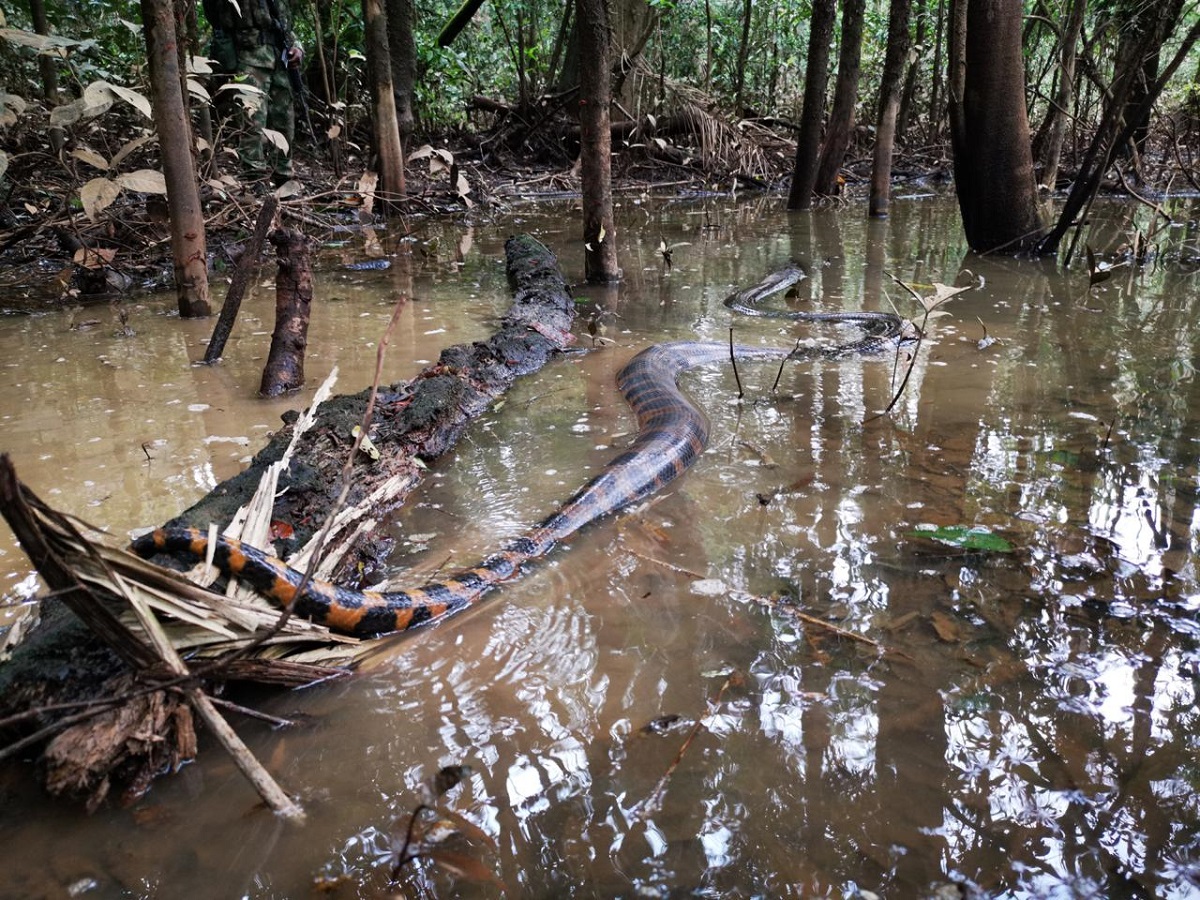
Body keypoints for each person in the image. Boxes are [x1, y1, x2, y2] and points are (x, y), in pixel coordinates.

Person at [203, 0, 302, 186]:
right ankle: (255, 179)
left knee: (285, 120)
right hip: (247, 57)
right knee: (252, 122)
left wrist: (297, 47)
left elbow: (286, 23)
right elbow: (217, 18)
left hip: (280, 58)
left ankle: (283, 176)